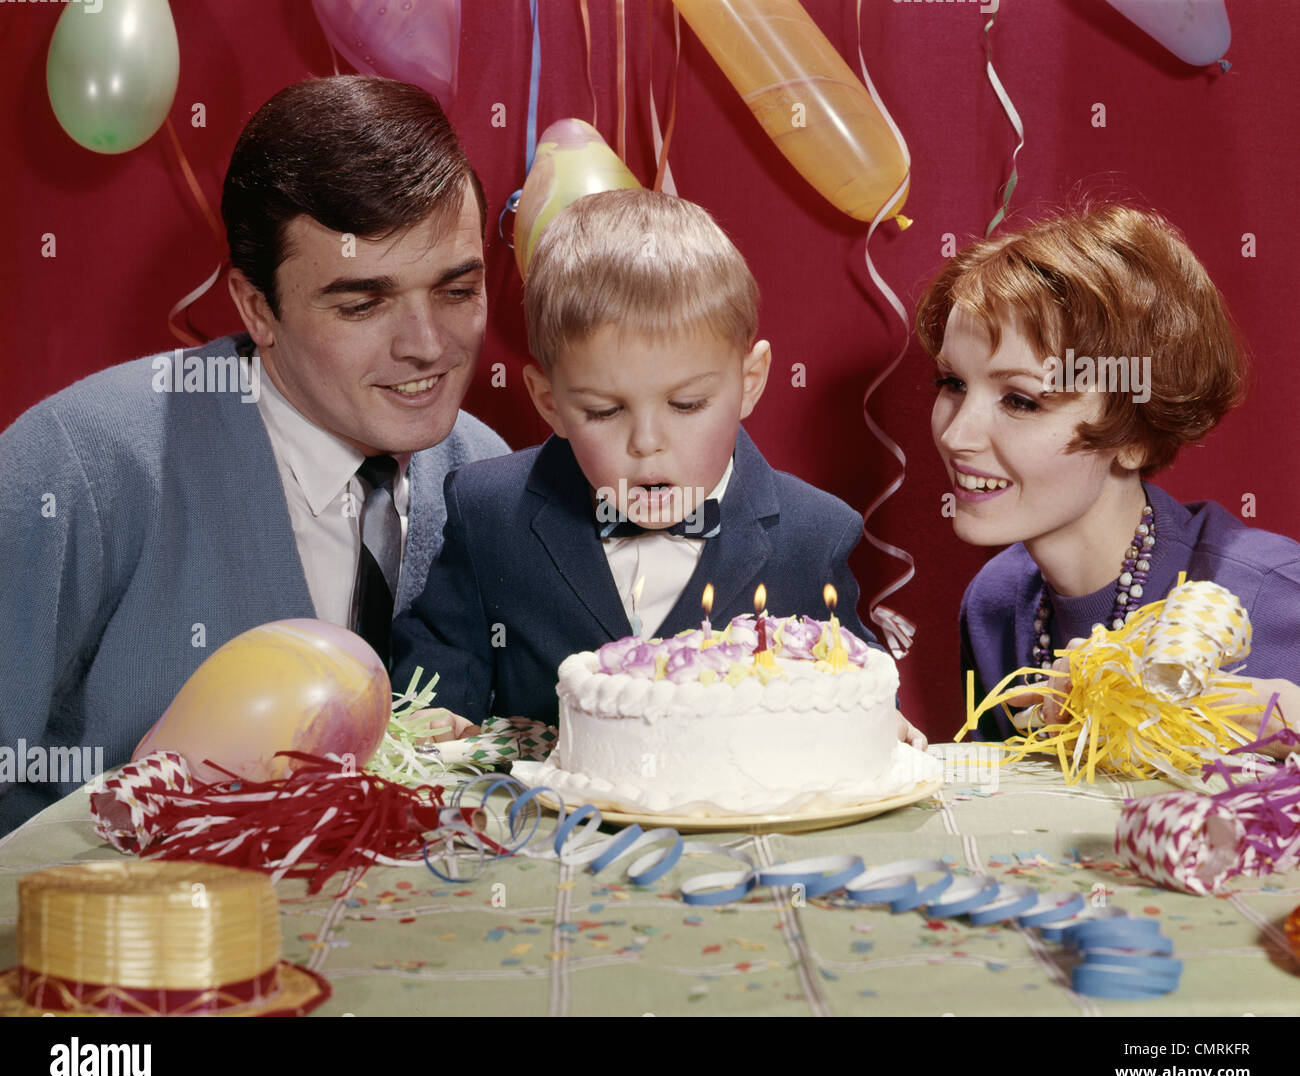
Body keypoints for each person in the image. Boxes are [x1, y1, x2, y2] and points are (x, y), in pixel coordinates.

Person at [0, 76, 508, 833]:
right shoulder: (76, 465)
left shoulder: (490, 476)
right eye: (362, 303)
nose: (427, 345)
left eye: (456, 290)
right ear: (255, 306)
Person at [391, 189, 926, 747]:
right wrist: (431, 717)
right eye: (603, 410)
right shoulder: (489, 512)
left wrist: (876, 722)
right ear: (549, 403)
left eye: (687, 405)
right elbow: (437, 665)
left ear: (750, 382)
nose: (647, 443)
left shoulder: (814, 534)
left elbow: (853, 684)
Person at [917, 205, 1300, 743]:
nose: (957, 435)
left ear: (1135, 435)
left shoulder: (1280, 597)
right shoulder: (994, 605)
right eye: (952, 384)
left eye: (1022, 400)